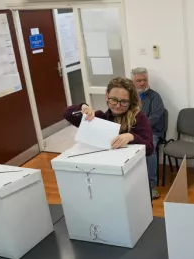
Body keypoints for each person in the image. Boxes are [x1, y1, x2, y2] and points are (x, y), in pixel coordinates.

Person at [63, 77, 153, 157]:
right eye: (114, 100)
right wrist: (83, 107)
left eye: (124, 101)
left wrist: (131, 137)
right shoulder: (99, 118)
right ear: (107, 96)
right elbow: (67, 113)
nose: (118, 105)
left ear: (131, 101)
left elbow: (149, 149)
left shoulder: (138, 117)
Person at [132, 67, 166, 199]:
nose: (142, 83)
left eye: (144, 80)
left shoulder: (155, 96)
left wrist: (139, 127)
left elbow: (156, 117)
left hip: (152, 132)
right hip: (133, 131)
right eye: (138, 80)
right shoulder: (130, 97)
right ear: (133, 82)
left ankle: (152, 186)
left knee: (149, 150)